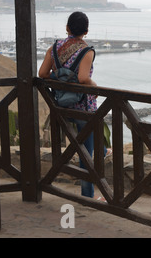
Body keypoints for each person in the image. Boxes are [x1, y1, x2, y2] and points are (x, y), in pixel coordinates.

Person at [39, 11, 110, 199]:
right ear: (86, 31)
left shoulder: (54, 47)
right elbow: (83, 78)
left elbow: (42, 73)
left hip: (61, 106)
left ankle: (103, 151)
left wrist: (60, 76)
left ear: (67, 28)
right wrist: (95, 87)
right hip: (82, 108)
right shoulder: (87, 51)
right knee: (85, 153)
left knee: (90, 137)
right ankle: (87, 196)